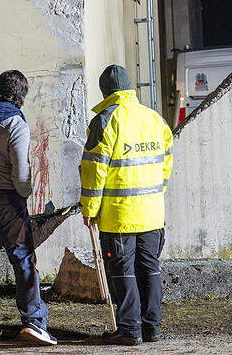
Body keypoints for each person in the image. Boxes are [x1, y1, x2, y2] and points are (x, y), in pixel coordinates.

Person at [0, 42, 57, 346]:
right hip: (4, 200)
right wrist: (26, 193)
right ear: (21, 98)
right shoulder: (16, 124)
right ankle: (33, 321)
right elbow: (19, 174)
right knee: (23, 260)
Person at [80, 65, 173, 346]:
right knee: (150, 268)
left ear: (105, 92)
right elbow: (166, 163)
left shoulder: (105, 121)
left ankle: (130, 329)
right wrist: (155, 194)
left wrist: (89, 210)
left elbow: (94, 170)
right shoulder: (154, 118)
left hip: (119, 214)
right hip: (153, 213)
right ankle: (151, 327)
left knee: (122, 271)